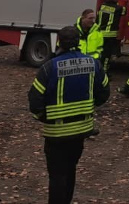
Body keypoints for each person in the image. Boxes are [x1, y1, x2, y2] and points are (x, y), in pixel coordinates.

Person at [28, 24, 110, 204]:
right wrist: (89, 107)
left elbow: (35, 100)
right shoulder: (93, 63)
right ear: (79, 41)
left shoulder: (49, 67)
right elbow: (104, 92)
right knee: (70, 169)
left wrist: (42, 116)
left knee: (57, 175)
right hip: (81, 130)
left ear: (59, 42)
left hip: (56, 132)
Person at [96, 0, 125, 69]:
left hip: (100, 33)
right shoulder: (118, 8)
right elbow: (124, 12)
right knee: (107, 55)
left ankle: (98, 68)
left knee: (100, 53)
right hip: (110, 35)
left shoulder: (102, 6)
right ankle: (104, 71)